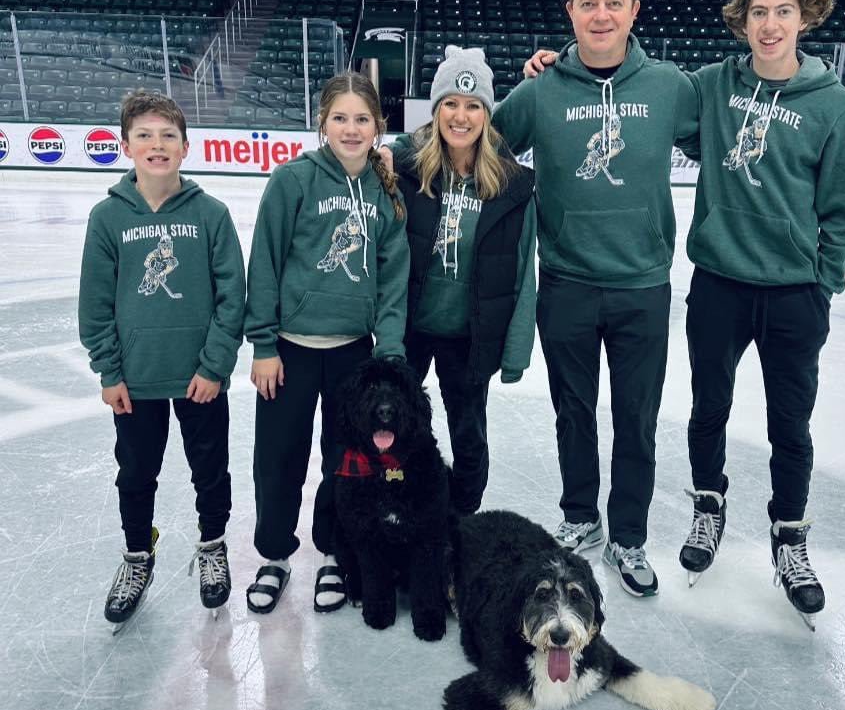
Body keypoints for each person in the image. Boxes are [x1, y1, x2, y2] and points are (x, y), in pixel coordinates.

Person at [492, 0, 699, 598]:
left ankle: (629, 536)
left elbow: (723, 141)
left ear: (634, 9)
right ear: (570, 10)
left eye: (614, 3)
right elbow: (480, 146)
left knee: (637, 419)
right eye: (589, 4)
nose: (601, 15)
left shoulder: (670, 87)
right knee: (573, 415)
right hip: (568, 286)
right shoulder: (541, 89)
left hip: (643, 286)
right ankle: (581, 519)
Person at [674, 0, 845, 629]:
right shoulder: (714, 86)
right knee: (709, 409)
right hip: (720, 283)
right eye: (759, 12)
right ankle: (708, 508)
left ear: (806, 17)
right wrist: (564, 66)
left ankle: (790, 539)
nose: (770, 24)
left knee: (791, 426)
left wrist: (823, 285)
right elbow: (645, 104)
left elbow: (843, 210)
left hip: (793, 297)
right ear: (742, 20)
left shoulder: (834, 105)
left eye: (784, 11)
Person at [244, 71, 409, 615]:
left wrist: (388, 355)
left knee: (346, 462)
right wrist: (264, 345)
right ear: (322, 123)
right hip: (289, 350)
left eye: (362, 118)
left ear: (378, 127)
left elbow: (391, 280)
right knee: (279, 458)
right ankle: (274, 555)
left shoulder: (385, 192)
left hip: (353, 354)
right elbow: (264, 263)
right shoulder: (293, 180)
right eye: (340, 117)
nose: (351, 128)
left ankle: (336, 554)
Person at [79, 90, 245, 628]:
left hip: (199, 377)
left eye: (167, 135)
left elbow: (231, 297)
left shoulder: (210, 214)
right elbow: (96, 302)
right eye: (145, 135)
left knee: (209, 470)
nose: (157, 145)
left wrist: (214, 366)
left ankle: (213, 545)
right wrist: (109, 370)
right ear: (126, 145)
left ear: (185, 145)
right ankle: (136, 555)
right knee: (135, 474)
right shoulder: (107, 218)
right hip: (136, 380)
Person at [389, 46, 536, 515]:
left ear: (487, 115)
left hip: (469, 336)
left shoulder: (511, 186)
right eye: (451, 103)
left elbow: (522, 271)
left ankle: (463, 518)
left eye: (473, 105)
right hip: (410, 328)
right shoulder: (405, 169)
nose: (461, 115)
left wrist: (514, 349)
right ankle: (398, 506)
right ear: (436, 110)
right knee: (395, 429)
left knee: (468, 434)